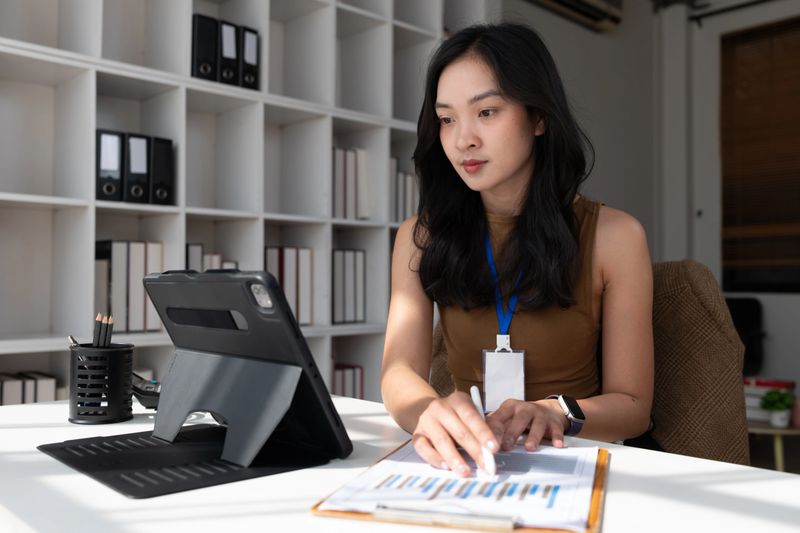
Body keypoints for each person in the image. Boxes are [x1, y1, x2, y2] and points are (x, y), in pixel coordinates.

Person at [380, 22, 654, 477]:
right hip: (469, 464)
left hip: (576, 463)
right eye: (447, 119)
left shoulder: (616, 237)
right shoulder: (420, 236)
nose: (463, 138)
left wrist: (557, 411)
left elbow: (633, 406)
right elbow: (397, 374)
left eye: (486, 111)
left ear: (539, 117)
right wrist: (427, 411)